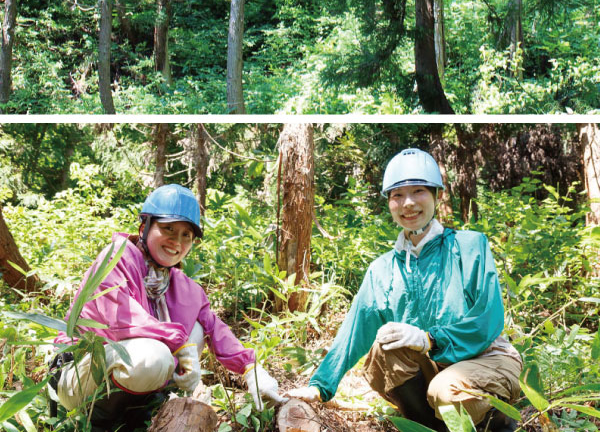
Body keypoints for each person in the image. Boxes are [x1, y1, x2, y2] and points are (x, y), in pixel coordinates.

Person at [287, 148, 522, 432]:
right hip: (433, 368)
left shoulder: (470, 246)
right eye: (397, 195)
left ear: (438, 195)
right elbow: (354, 331)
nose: (408, 203)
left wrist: (429, 338)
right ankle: (432, 428)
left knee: (446, 391)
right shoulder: (382, 269)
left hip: (485, 359)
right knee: (384, 350)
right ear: (389, 203)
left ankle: (497, 424)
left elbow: (487, 319)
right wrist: (320, 386)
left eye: (418, 191)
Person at [53, 184, 284, 431]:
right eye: (168, 229)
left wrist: (251, 370)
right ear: (145, 227)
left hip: (127, 373)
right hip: (76, 375)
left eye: (187, 235)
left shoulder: (185, 287)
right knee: (155, 356)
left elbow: (217, 330)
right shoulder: (115, 258)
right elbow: (119, 319)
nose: (177, 241)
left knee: (194, 329)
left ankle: (142, 412)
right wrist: (179, 344)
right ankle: (97, 423)